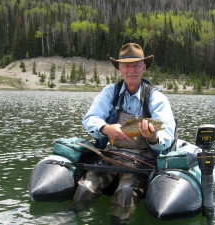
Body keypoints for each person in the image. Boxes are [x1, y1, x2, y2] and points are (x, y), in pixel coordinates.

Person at [72, 43, 176, 223]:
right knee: (85, 188)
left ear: (144, 68)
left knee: (125, 193)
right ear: (119, 69)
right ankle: (72, 218)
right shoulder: (109, 93)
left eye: (136, 65)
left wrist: (153, 137)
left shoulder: (155, 97)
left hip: (142, 158)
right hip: (110, 154)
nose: (131, 70)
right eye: (127, 66)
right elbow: (90, 119)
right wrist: (106, 129)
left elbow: (167, 134)